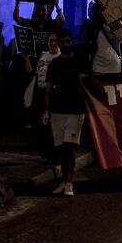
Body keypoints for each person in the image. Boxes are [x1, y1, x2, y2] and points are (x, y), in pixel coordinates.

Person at [41, 29, 85, 196]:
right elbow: (48, 88)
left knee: (69, 147)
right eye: (63, 42)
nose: (66, 44)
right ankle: (64, 179)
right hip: (58, 111)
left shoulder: (78, 61)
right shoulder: (54, 64)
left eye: (68, 41)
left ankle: (69, 183)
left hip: (75, 110)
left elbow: (83, 83)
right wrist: (46, 110)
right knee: (61, 148)